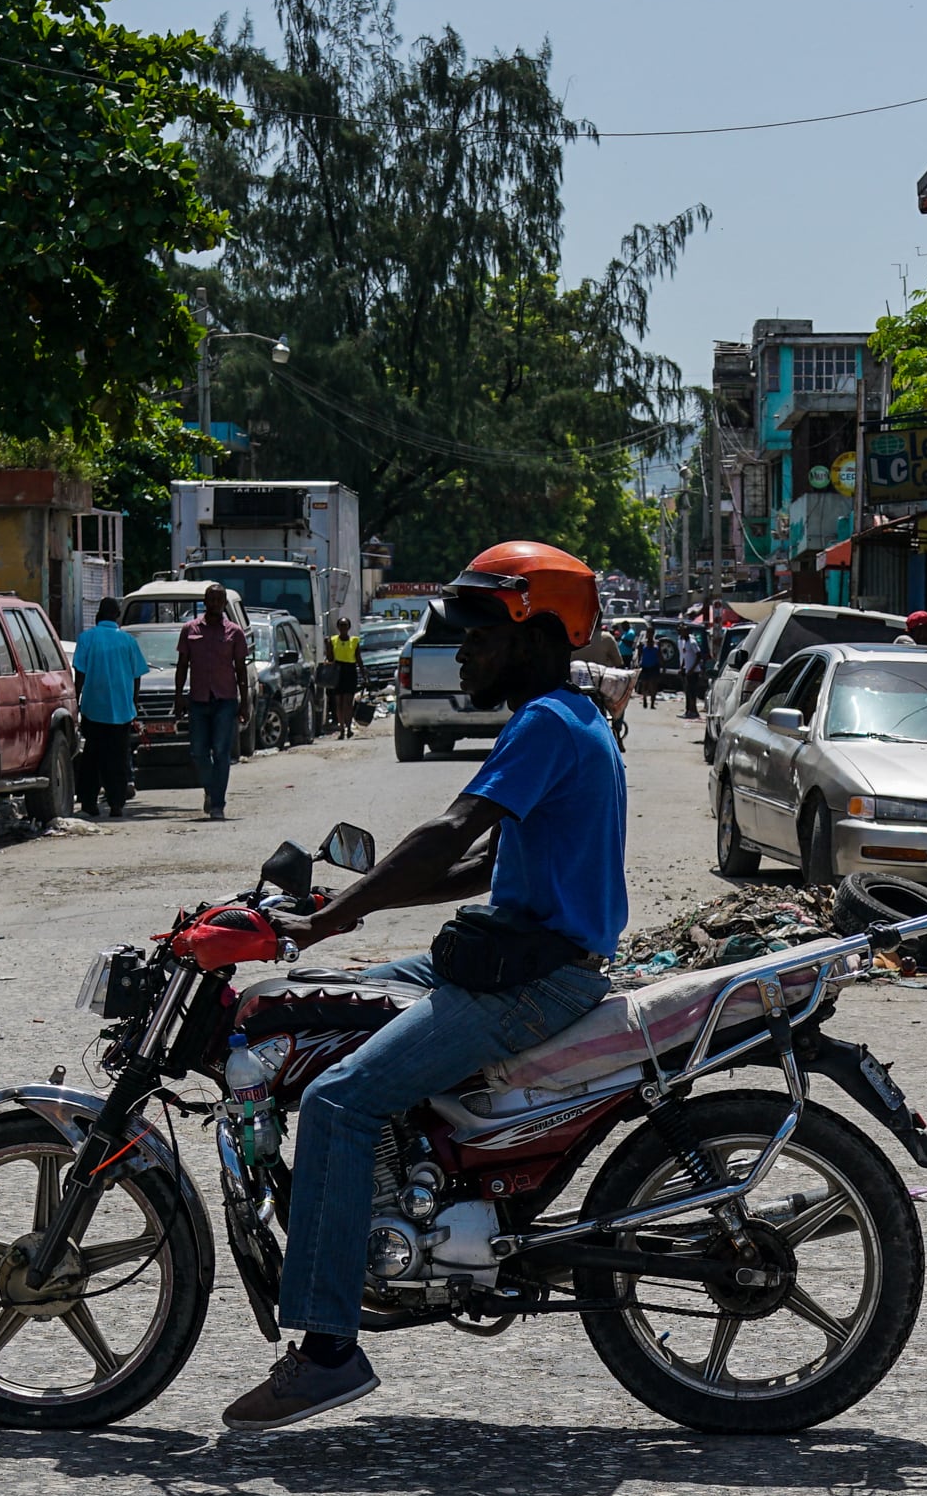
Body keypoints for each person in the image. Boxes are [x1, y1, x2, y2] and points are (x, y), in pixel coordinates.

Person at [221, 541, 627, 1432]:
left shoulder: (547, 723)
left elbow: (451, 833)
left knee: (336, 1099)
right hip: (516, 956)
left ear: (534, 631)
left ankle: (327, 1348)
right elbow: (484, 862)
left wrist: (333, 914)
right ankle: (387, 1200)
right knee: (339, 1004)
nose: (461, 653)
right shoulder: (571, 716)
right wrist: (346, 909)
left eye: (477, 635)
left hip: (535, 979)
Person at [177, 585, 250, 820]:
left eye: (220, 599)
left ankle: (217, 803)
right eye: (212, 599)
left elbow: (241, 669)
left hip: (225, 699)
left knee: (221, 751)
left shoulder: (234, 632)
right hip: (198, 699)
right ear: (205, 601)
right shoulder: (190, 629)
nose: (216, 603)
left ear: (224, 603)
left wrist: (244, 701)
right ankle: (211, 788)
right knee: (198, 752)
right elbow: (182, 665)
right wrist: (178, 695)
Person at [69, 596, 145, 819]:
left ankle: (89, 802)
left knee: (92, 755)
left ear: (98, 615)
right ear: (117, 616)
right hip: (122, 709)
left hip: (94, 708)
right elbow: (137, 675)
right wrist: (133, 701)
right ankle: (116, 803)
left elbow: (80, 673)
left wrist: (76, 700)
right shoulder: (128, 641)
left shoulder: (87, 638)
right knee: (118, 758)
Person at [324, 615, 363, 735]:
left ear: (349, 627)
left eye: (345, 626)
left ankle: (349, 727)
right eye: (341, 626)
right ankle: (341, 728)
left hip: (350, 671)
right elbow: (330, 658)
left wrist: (363, 672)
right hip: (338, 671)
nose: (343, 628)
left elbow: (358, 658)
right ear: (338, 627)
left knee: (348, 702)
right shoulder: (333, 640)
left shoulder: (354, 641)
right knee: (338, 702)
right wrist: (328, 646)